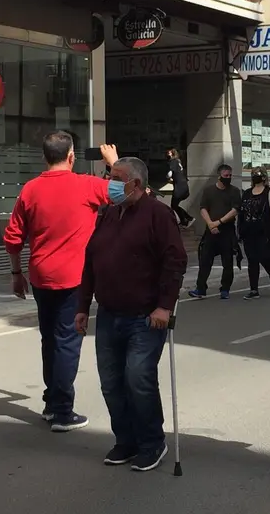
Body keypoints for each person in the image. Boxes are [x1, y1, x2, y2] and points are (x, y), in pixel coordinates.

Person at [76, 158, 187, 472]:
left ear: (136, 184)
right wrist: (83, 306)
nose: (110, 182)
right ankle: (125, 440)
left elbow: (175, 262)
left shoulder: (158, 215)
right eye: (109, 176)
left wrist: (165, 306)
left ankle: (152, 442)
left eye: (116, 178)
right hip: (109, 314)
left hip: (145, 316)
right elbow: (91, 262)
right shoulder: (109, 214)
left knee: (138, 378)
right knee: (111, 382)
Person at [2, 133, 119, 430]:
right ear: (71, 157)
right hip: (74, 278)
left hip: (41, 276)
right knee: (67, 341)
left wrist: (16, 274)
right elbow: (127, 192)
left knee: (50, 339)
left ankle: (52, 402)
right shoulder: (87, 185)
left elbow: (13, 238)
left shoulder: (30, 190)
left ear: (44, 157)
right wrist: (114, 164)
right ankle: (63, 411)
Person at [189, 164, 241, 299]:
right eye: (226, 176)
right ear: (219, 176)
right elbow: (203, 208)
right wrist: (211, 224)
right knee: (205, 260)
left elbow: (235, 210)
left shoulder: (234, 191)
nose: (228, 178)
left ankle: (225, 289)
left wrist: (219, 222)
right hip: (211, 231)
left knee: (227, 262)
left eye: (230, 176)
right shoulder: (209, 191)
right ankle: (200, 288)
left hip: (227, 230)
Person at [238, 167, 270, 300]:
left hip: (265, 232)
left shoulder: (269, 193)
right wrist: (240, 230)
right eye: (253, 175)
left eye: (258, 175)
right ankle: (254, 289)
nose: (255, 177)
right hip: (248, 232)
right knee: (252, 260)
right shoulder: (247, 193)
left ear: (264, 177)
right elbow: (241, 212)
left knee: (266, 258)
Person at [166, 148, 192, 227]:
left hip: (179, 188)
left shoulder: (173, 161)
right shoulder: (178, 161)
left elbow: (170, 173)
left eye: (169, 152)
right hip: (183, 186)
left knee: (173, 205)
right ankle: (185, 220)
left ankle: (188, 219)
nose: (167, 154)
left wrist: (167, 177)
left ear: (172, 153)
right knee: (174, 205)